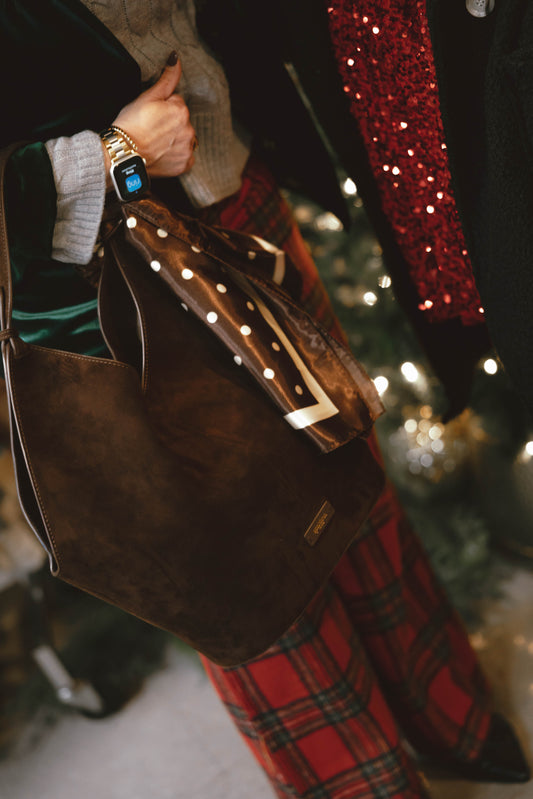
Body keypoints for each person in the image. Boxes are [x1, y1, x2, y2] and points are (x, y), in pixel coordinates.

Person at [0, 2, 529, 797]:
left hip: (231, 195)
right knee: (244, 571)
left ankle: (436, 706)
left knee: (347, 475)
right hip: (102, 288)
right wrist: (116, 152)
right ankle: (361, 783)